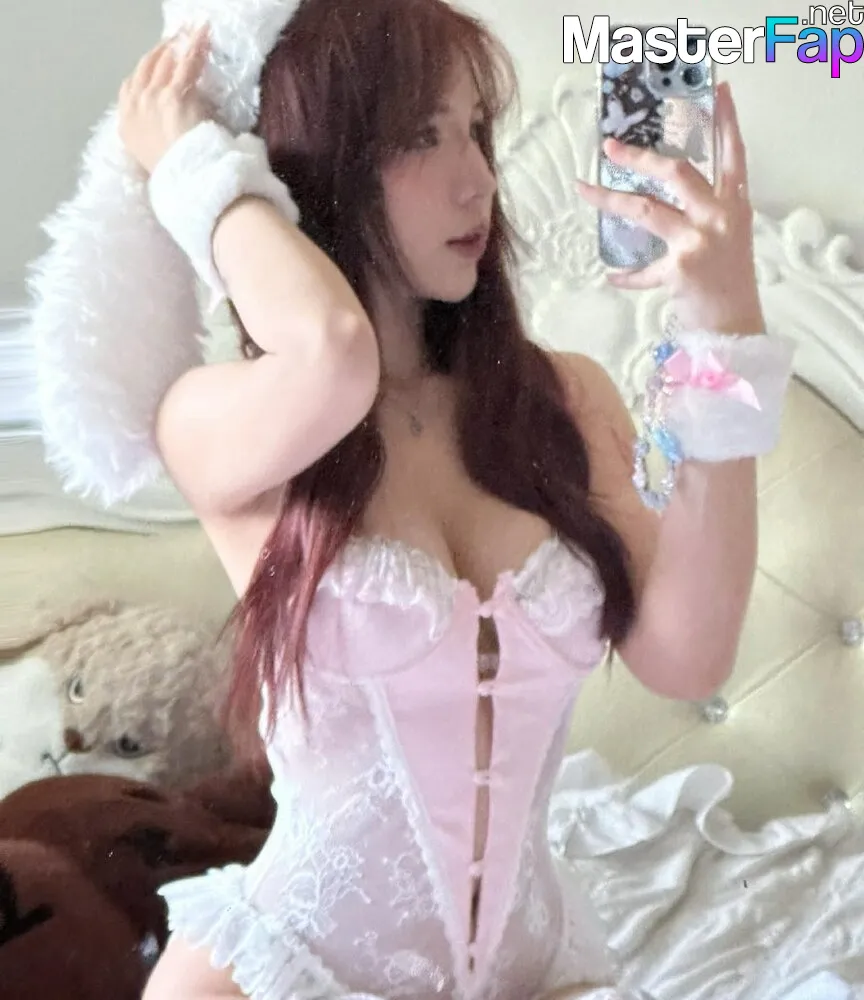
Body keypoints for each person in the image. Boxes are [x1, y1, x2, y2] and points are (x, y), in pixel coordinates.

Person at [70, 0, 794, 997]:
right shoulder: (212, 418)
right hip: (288, 974)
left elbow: (689, 656)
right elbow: (333, 352)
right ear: (315, 159)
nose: (478, 180)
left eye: (476, 131)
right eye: (419, 136)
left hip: (531, 968)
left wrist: (722, 327)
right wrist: (192, 164)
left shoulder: (561, 399)